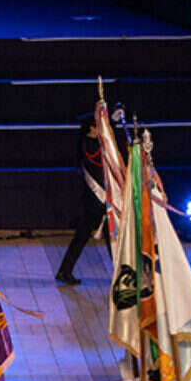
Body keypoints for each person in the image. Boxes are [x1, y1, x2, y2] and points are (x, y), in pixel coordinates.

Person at [54, 114, 106, 285]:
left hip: (95, 201)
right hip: (94, 200)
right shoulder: (89, 146)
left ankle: (65, 270)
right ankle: (65, 270)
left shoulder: (93, 144)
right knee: (100, 237)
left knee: (84, 236)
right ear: (91, 128)